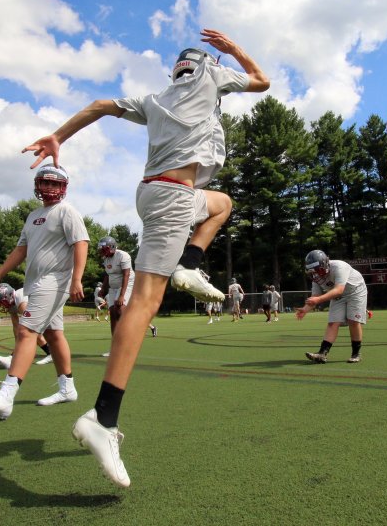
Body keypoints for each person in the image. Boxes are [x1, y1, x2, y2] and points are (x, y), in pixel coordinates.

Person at [23, 29, 268, 487]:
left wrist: (58, 136)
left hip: (162, 193)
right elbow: (261, 81)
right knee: (143, 303)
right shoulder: (213, 74)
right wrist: (234, 49)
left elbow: (100, 106)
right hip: (173, 199)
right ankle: (103, 418)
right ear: (205, 65)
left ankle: (189, 264)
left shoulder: (154, 99)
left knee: (223, 203)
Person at [0, 164, 88, 419]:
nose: (48, 188)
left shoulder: (67, 212)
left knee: (26, 331)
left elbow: (81, 243)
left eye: (54, 183)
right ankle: (67, 388)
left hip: (55, 280)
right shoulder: (33, 215)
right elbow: (20, 250)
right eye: (44, 182)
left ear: (63, 187)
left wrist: (76, 279)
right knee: (54, 334)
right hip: (35, 281)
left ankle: (6, 396)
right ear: (37, 185)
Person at [297, 250, 368, 364]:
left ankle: (356, 354)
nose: (316, 272)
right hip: (337, 294)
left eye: (318, 269)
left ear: (326, 262)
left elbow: (339, 290)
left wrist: (319, 299)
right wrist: (305, 309)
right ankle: (322, 353)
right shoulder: (316, 277)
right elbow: (315, 295)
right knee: (333, 322)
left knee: (353, 321)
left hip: (355, 291)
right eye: (312, 270)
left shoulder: (339, 266)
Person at [0, 283, 54, 369]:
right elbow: (16, 326)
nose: (1, 305)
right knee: (29, 331)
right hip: (40, 310)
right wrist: (17, 342)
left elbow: (29, 324)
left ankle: (12, 359)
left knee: (30, 331)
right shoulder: (11, 304)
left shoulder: (21, 298)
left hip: (49, 305)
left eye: (1, 302)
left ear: (8, 296)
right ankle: (51, 354)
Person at [98, 236, 144, 355]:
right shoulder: (106, 258)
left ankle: (130, 340)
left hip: (126, 284)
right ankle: (116, 347)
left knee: (120, 309)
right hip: (113, 287)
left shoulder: (123, 256)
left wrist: (122, 296)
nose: (102, 251)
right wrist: (103, 289)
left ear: (112, 247)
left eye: (104, 249)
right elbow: (108, 275)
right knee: (113, 312)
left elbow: (126, 275)